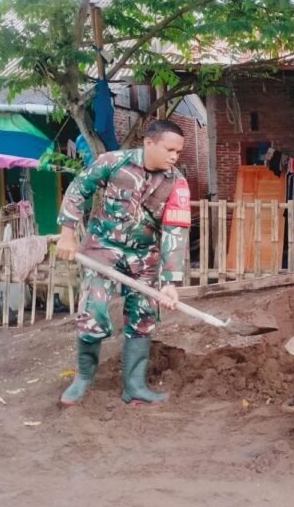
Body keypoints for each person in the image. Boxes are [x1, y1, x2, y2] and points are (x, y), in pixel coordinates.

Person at [56, 119, 191, 406]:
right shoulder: (113, 162)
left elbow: (175, 231)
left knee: (143, 317)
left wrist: (169, 283)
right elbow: (79, 189)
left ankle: (135, 387)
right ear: (149, 142)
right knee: (93, 312)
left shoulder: (177, 183)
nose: (174, 157)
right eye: (169, 149)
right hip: (101, 249)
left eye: (178, 152)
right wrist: (67, 233)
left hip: (144, 256)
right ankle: (82, 379)